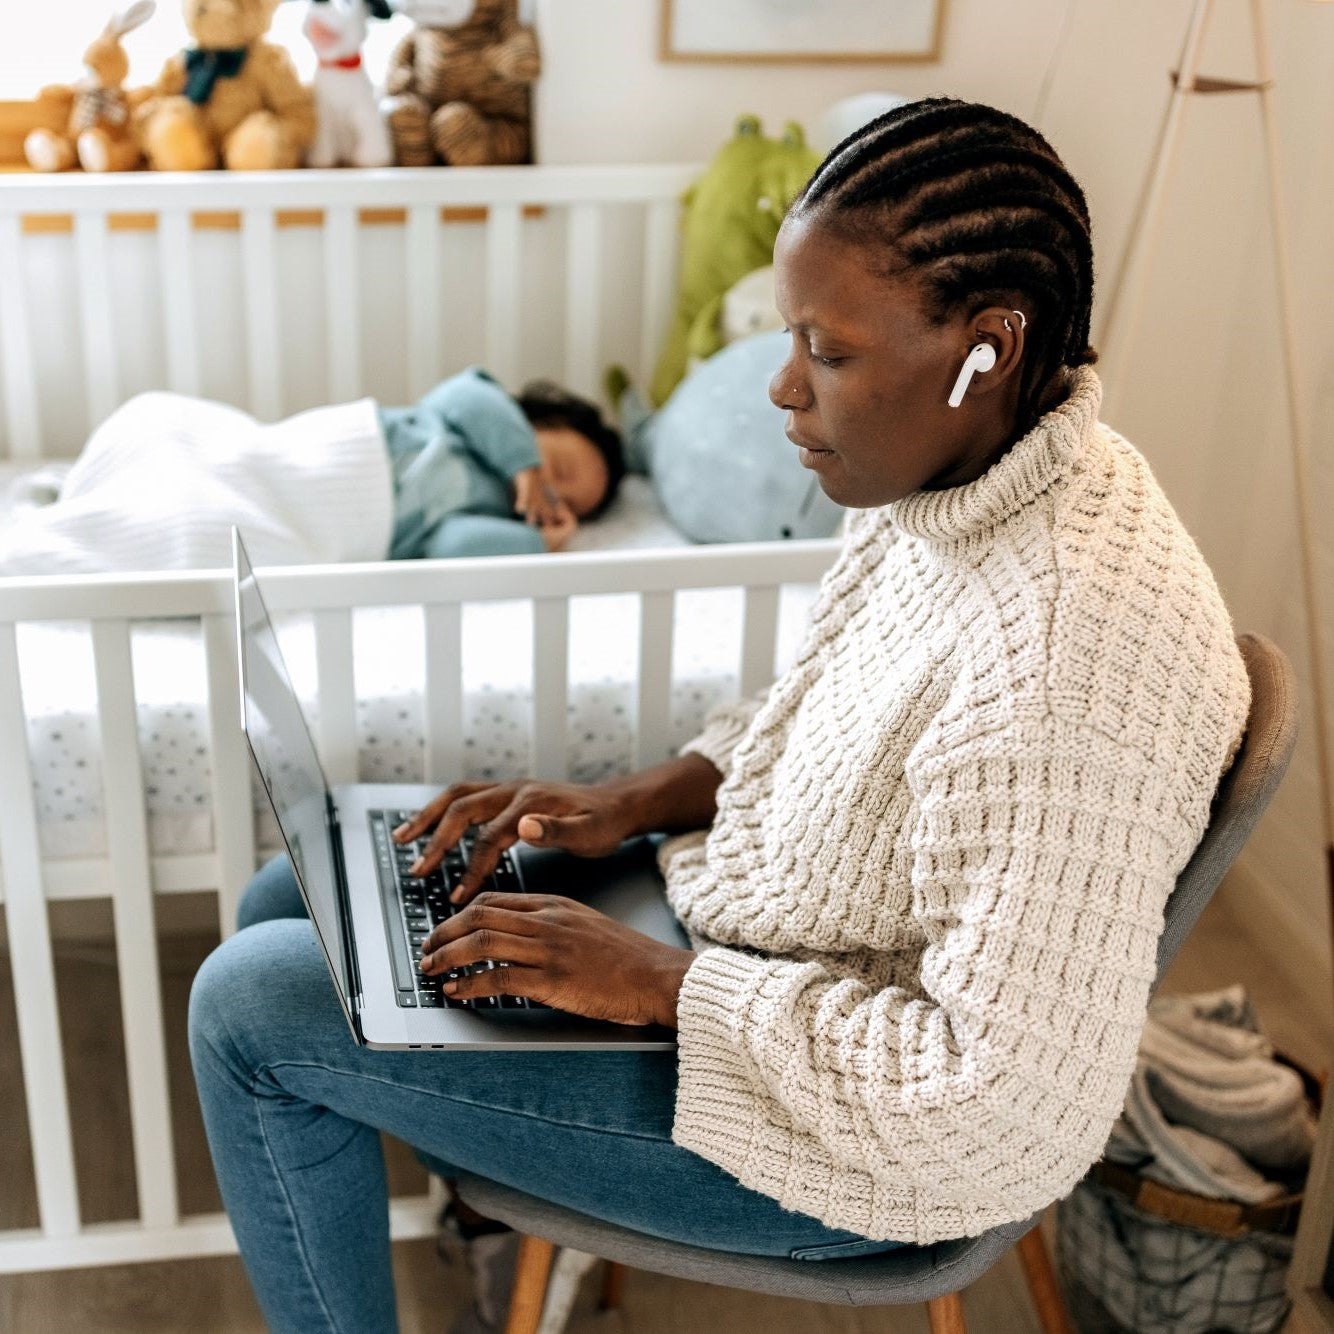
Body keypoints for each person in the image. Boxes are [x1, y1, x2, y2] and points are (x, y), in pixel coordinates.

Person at [187, 98, 1251, 1333]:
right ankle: (474, 1202)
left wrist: (653, 983)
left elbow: (992, 1109)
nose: (783, 387)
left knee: (252, 1002)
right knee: (299, 893)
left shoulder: (1072, 651)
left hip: (841, 1136)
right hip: (750, 958)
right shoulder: (962, 483)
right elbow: (824, 706)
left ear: (988, 346)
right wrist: (630, 799)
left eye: (828, 350)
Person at [0, 371, 625, 574]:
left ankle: (59, 530)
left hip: (328, 516)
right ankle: (85, 491)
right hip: (317, 455)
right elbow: (467, 390)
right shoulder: (461, 419)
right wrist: (522, 462)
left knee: (201, 528)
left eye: (574, 500)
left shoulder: (483, 514)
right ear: (534, 420)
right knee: (168, 427)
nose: (555, 487)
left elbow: (451, 549)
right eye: (562, 465)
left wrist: (533, 543)